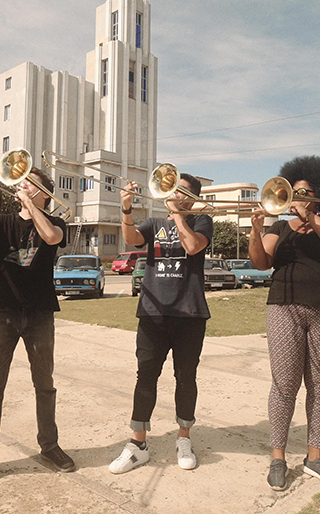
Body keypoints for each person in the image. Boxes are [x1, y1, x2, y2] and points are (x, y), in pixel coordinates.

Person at [0, 166, 74, 492]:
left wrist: (32, 205)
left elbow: (52, 238)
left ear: (44, 193)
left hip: (40, 314)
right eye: (22, 182)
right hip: (3, 312)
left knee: (45, 385)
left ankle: (49, 446)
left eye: (30, 184)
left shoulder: (56, 223)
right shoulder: (4, 221)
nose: (21, 185)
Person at [248, 155, 320, 491]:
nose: (296, 198)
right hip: (284, 308)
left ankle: (314, 458)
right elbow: (260, 262)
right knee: (283, 386)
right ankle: (278, 458)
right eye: (293, 192)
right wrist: (256, 230)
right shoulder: (280, 227)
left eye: (304, 193)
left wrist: (313, 218)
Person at [109, 173, 213, 474]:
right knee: (145, 377)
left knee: (186, 377)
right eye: (172, 188)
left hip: (190, 313)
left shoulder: (201, 220)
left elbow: (193, 247)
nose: (173, 193)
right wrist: (126, 209)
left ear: (192, 197)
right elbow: (130, 239)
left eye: (181, 190)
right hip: (153, 312)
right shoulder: (154, 224)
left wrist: (179, 215)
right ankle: (137, 444)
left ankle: (184, 437)